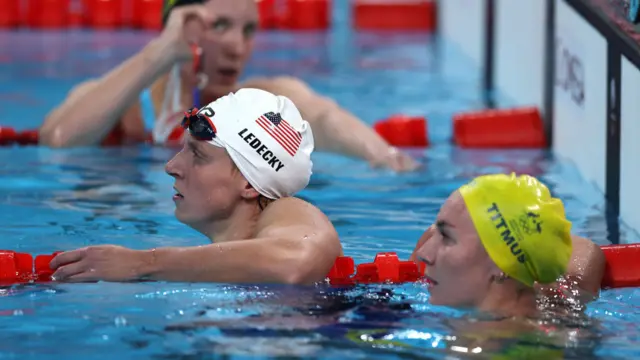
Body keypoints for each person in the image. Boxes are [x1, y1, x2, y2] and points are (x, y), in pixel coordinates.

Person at [38, 0, 418, 172]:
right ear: (176, 26)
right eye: (219, 25)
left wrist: (381, 154)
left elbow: (322, 116)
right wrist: (161, 53)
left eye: (249, 30)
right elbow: (57, 141)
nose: (238, 46)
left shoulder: (260, 100)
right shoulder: (124, 106)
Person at [48, 88, 342, 284]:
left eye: (197, 155)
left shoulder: (288, 211)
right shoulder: (222, 261)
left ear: (249, 184)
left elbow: (296, 260)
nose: (171, 167)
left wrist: (141, 264)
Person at [409, 173, 606, 318]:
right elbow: (584, 248)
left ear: (501, 266)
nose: (423, 254)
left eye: (447, 237)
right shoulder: (565, 294)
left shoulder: (481, 346)